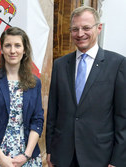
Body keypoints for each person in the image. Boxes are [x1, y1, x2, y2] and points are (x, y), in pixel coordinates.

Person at [46, 6, 126, 167]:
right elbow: (53, 112)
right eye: (75, 29)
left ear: (99, 28)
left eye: (86, 28)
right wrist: (50, 149)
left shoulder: (118, 64)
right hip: (63, 156)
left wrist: (118, 160)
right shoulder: (60, 65)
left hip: (100, 157)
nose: (80, 33)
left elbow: (122, 117)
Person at [0, 27, 44, 167]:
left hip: (25, 156)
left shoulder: (35, 83)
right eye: (8, 45)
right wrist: (0, 158)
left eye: (17, 45)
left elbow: (37, 121)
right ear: (2, 49)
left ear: (24, 50)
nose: (12, 51)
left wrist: (26, 155)